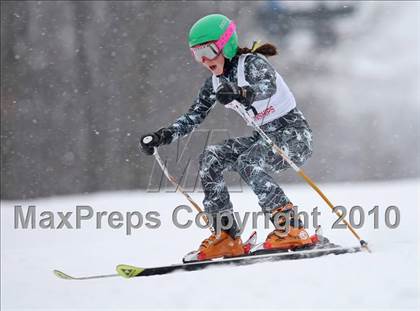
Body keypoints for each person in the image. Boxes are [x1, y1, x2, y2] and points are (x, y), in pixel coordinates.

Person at [140, 14, 314, 261]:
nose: (205, 61)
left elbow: (268, 86)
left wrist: (241, 92)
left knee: (248, 162)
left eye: (208, 52)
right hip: (264, 138)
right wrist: (163, 136)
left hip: (294, 136)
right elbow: (194, 115)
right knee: (211, 157)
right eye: (197, 55)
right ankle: (226, 237)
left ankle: (290, 228)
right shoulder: (215, 82)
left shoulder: (252, 63)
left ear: (226, 45)